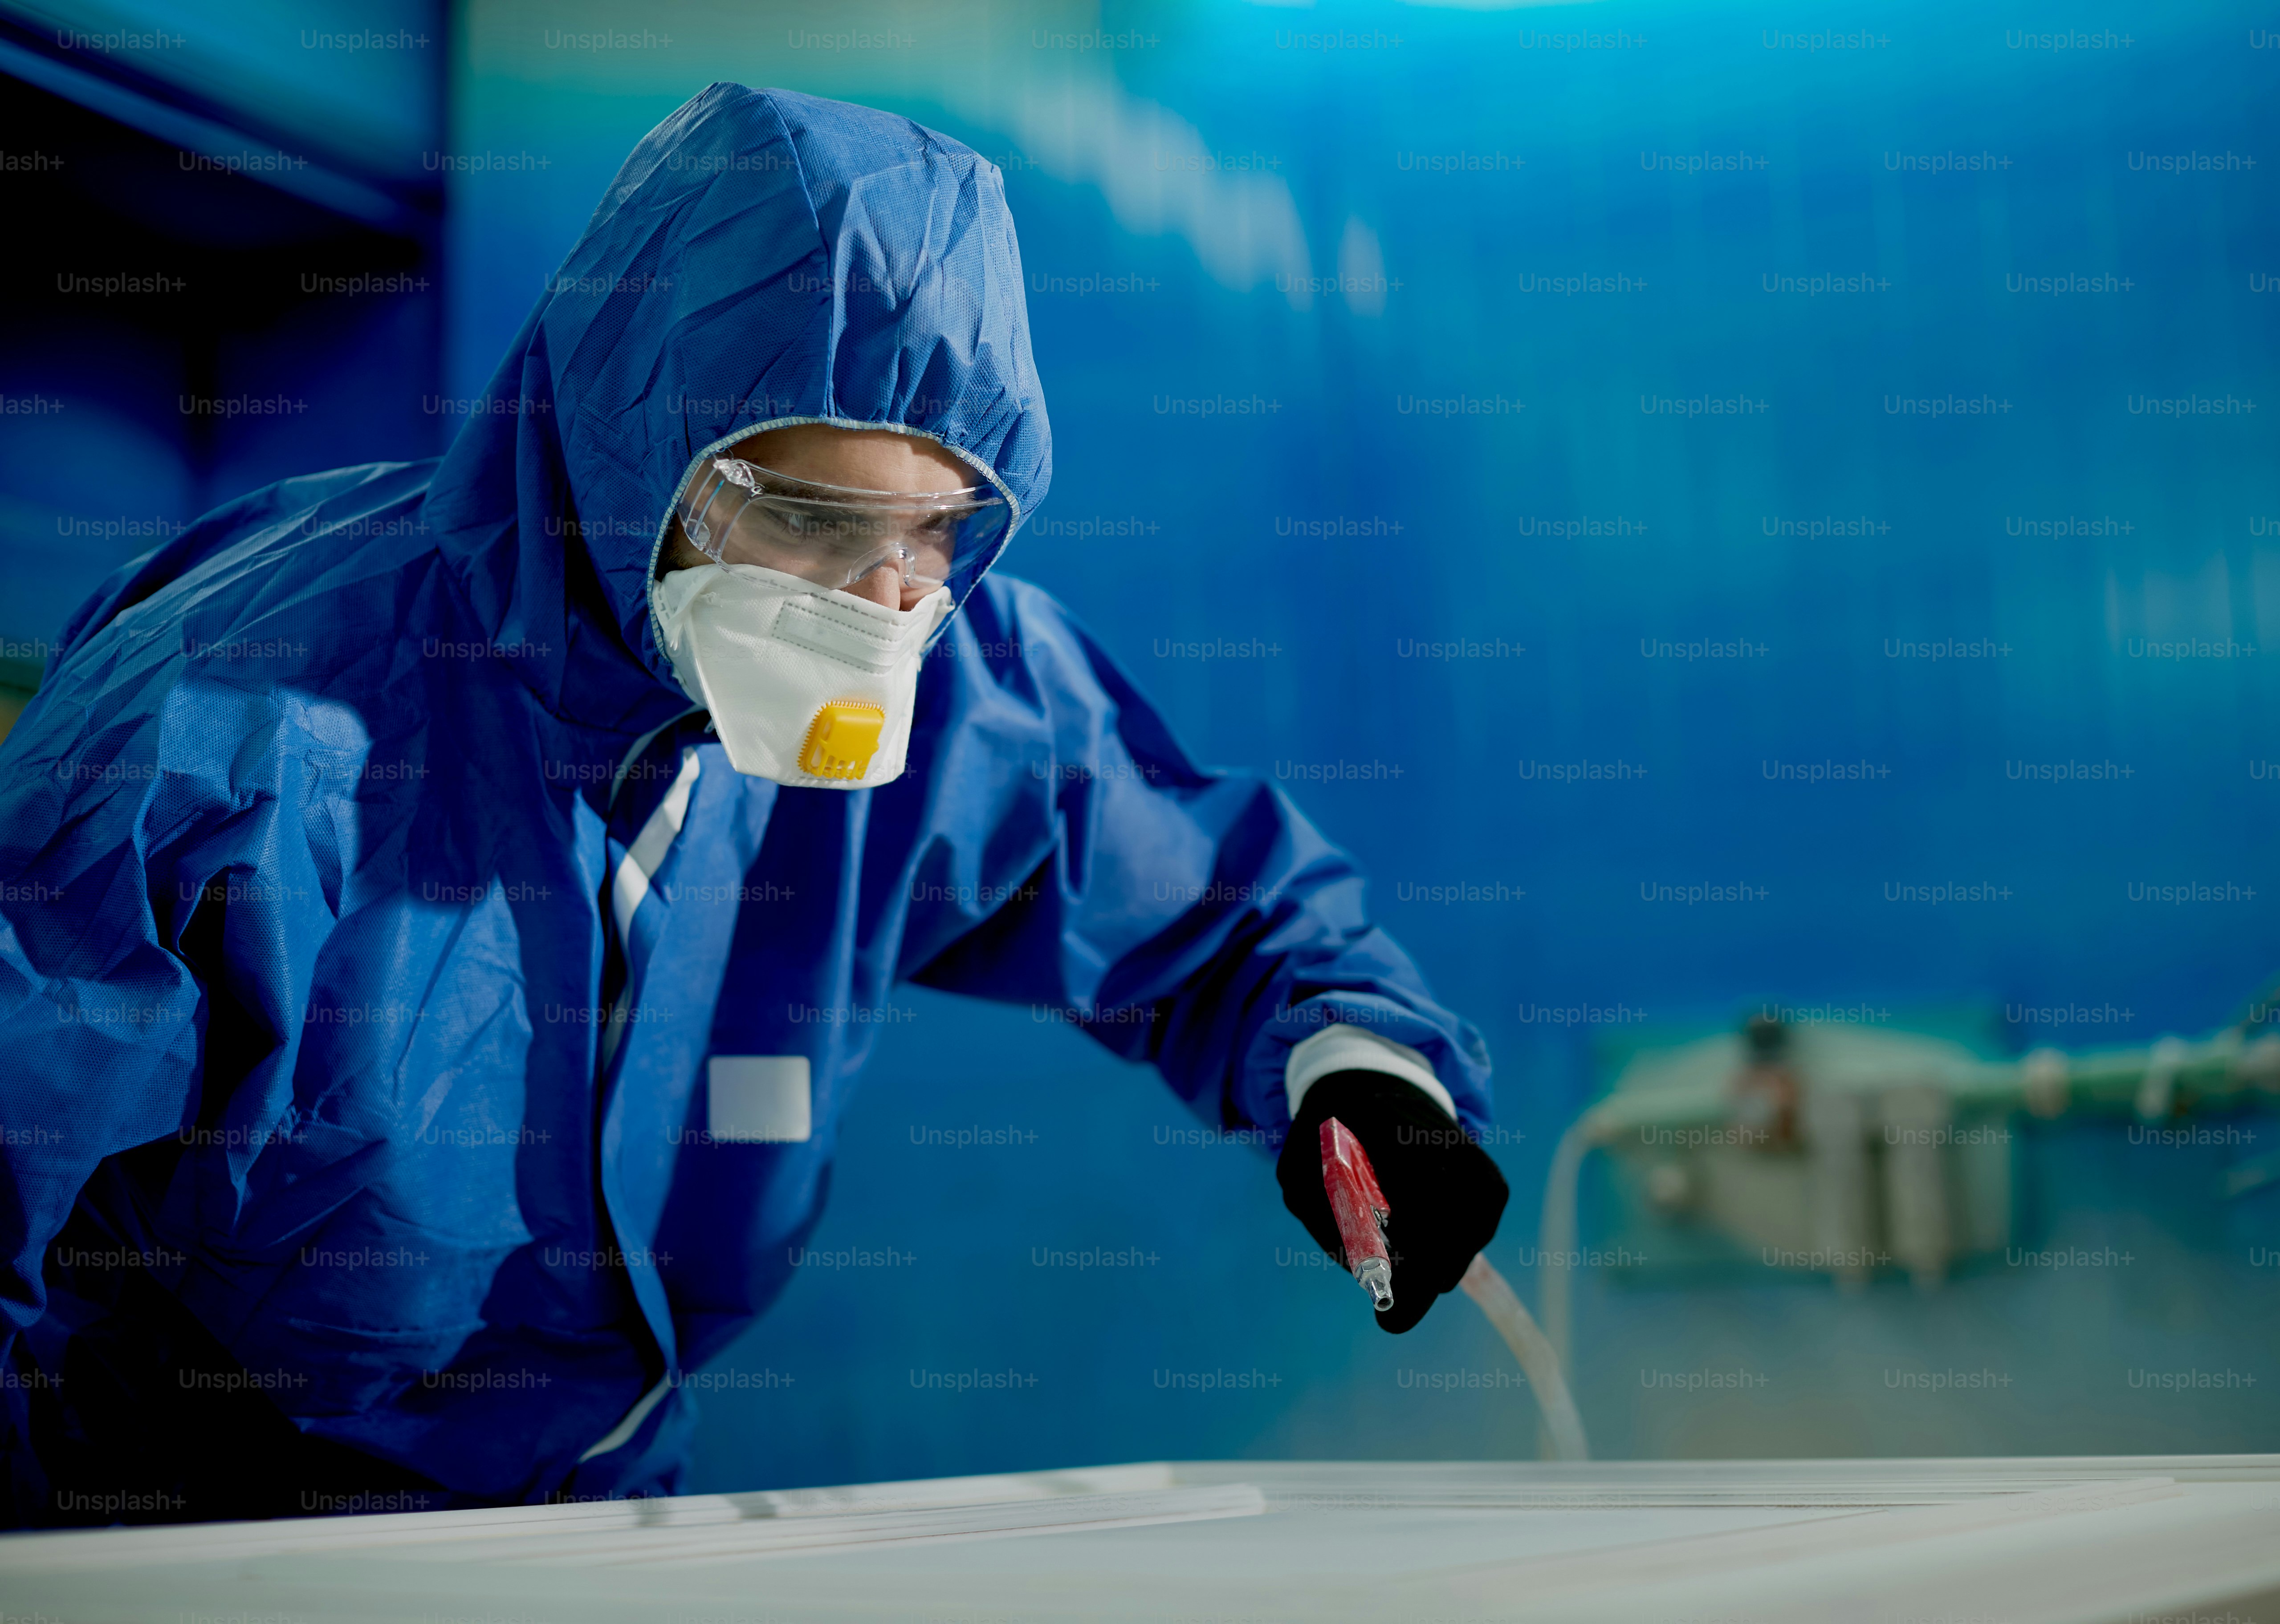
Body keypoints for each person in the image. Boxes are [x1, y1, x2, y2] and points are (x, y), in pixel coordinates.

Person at [0, 84, 1507, 1527]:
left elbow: (1222, 914)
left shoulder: (966, 687)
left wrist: (1368, 1083)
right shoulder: (234, 728)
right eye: (808, 519)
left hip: (610, 1520)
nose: (882, 608)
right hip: (191, 1540)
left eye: (933, 529)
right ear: (625, 441)